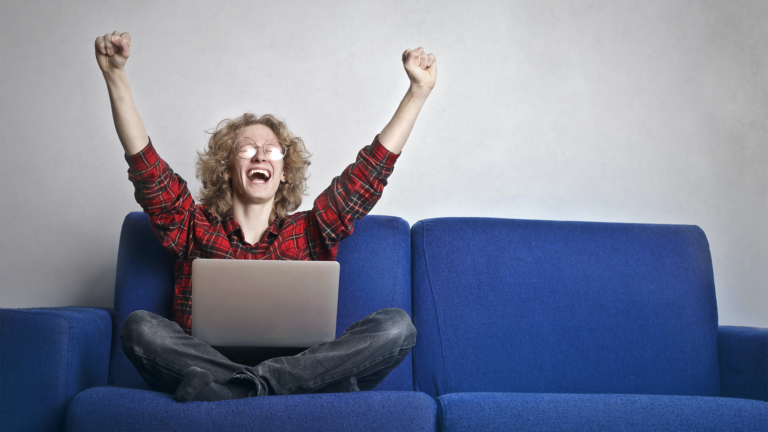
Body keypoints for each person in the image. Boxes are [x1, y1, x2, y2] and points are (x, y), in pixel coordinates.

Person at [94, 30, 437, 402]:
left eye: (272, 150)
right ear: (227, 167)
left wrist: (417, 93)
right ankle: (279, 388)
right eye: (247, 148)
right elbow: (147, 171)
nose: (260, 156)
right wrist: (115, 76)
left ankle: (238, 390)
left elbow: (369, 173)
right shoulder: (193, 227)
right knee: (141, 327)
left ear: (285, 171)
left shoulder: (309, 231)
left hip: (296, 363)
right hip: (206, 362)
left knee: (396, 327)